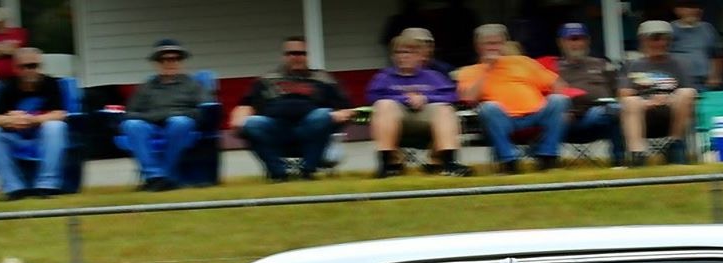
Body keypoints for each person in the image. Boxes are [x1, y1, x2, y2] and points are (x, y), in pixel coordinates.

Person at [234, 37, 357, 181]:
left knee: (322, 114)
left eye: (301, 53)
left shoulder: (323, 78)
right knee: (252, 123)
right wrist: (239, 118)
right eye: (291, 53)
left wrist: (339, 114)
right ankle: (278, 173)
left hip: (311, 129)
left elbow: (347, 108)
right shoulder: (267, 80)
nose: (296, 57)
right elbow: (246, 104)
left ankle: (308, 171)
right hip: (276, 130)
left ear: (307, 56)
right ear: (284, 56)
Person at [459, 23, 572, 172]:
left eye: (498, 43)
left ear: (505, 44)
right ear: (478, 46)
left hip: (536, 116)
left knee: (559, 100)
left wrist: (553, 104)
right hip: (502, 121)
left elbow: (558, 85)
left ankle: (547, 157)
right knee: (488, 107)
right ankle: (510, 162)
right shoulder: (470, 71)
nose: (494, 48)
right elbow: (468, 98)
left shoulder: (522, 62)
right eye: (489, 44)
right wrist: (488, 70)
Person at [367, 33, 472, 177]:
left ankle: (449, 163)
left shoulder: (433, 76)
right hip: (396, 121)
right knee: (383, 105)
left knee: (445, 109)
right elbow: (373, 97)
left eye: (409, 52)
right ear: (393, 56)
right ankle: (387, 164)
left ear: (419, 56)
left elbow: (452, 96)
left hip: (427, 122)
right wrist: (404, 99)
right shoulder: (384, 77)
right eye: (399, 52)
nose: (403, 56)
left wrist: (425, 98)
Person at [0, 47, 72, 199]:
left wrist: (33, 120)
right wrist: (10, 119)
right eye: (24, 67)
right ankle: (13, 187)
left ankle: (47, 185)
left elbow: (60, 114)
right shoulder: (6, 87)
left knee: (56, 126)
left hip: (42, 136)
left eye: (33, 66)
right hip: (15, 135)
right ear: (15, 68)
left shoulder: (51, 84)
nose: (29, 70)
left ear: (40, 67)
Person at [121, 39, 210, 191]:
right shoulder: (146, 87)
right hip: (151, 125)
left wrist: (172, 115)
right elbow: (131, 113)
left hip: (180, 125)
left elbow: (203, 110)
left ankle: (163, 177)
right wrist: (160, 116)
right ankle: (155, 176)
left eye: (174, 59)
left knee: (180, 122)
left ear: (180, 62)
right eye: (164, 60)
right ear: (156, 63)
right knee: (132, 125)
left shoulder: (193, 85)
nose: (170, 63)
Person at [622, 19, 700, 165]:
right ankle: (637, 154)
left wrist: (668, 99)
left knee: (687, 93)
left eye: (664, 39)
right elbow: (624, 94)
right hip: (643, 114)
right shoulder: (633, 65)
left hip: (672, 113)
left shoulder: (679, 64)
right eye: (655, 38)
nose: (660, 43)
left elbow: (690, 92)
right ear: (644, 41)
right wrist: (647, 102)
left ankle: (675, 145)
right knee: (630, 101)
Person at [552, 23, 630, 165]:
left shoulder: (602, 64)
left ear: (587, 41)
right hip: (564, 120)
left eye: (580, 39)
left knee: (616, 109)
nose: (576, 43)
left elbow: (620, 90)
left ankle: (620, 162)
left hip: (598, 116)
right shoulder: (552, 67)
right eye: (572, 39)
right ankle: (548, 162)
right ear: (561, 42)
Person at [670, 1, 723, 90]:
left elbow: (717, 55)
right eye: (689, 7)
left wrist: (715, 76)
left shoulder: (708, 28)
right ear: (678, 10)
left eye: (696, 8)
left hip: (704, 82)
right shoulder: (670, 29)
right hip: (678, 82)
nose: (694, 10)